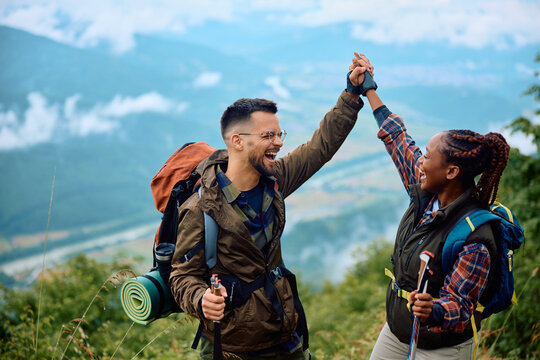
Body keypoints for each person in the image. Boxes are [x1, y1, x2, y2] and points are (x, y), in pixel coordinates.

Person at [169, 57, 372, 360]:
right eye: (268, 136)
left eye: (279, 134)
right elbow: (181, 276)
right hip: (233, 351)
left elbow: (320, 147)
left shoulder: (274, 180)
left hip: (286, 338)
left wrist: (351, 94)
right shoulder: (202, 209)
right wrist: (200, 300)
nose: (278, 142)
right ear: (237, 141)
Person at [348, 52, 510, 360]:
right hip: (397, 332)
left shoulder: (475, 237)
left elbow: (460, 307)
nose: (419, 161)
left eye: (427, 156)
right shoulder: (426, 192)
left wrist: (434, 309)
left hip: (443, 348)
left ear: (450, 172)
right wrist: (368, 86)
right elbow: (398, 139)